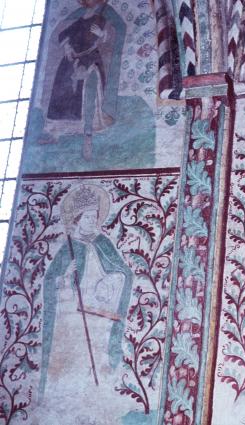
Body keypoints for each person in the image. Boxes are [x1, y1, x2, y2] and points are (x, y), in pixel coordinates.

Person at [38, 184, 132, 423]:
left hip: (98, 315)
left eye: (95, 217)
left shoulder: (102, 243)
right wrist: (65, 277)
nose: (93, 221)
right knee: (74, 359)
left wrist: (109, 282)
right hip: (71, 319)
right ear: (78, 219)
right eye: (88, 217)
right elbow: (50, 281)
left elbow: (124, 273)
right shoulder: (68, 247)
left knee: (96, 358)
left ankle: (96, 403)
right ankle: (66, 403)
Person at [39, 0, 126, 160]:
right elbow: (63, 33)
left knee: (88, 93)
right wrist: (67, 47)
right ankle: (55, 132)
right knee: (61, 89)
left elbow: (119, 29)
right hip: (72, 59)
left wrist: (103, 34)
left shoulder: (107, 12)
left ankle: (88, 137)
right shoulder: (80, 15)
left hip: (91, 58)